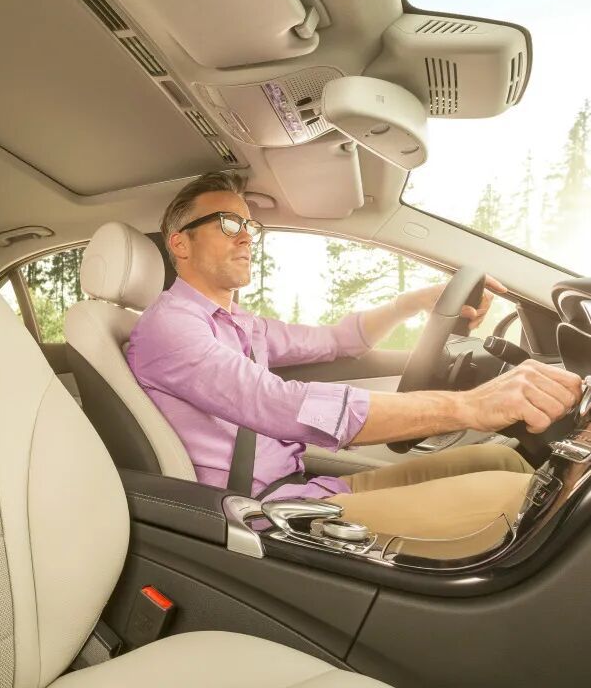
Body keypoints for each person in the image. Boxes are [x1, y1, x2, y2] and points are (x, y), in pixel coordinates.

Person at [126, 171, 583, 540]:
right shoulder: (170, 327)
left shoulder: (243, 324)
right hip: (262, 517)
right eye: (229, 223)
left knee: (503, 463)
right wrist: (469, 406)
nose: (247, 237)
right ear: (180, 243)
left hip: (303, 490)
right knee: (526, 499)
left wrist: (413, 303)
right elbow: (277, 404)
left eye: (250, 226)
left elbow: (339, 340)